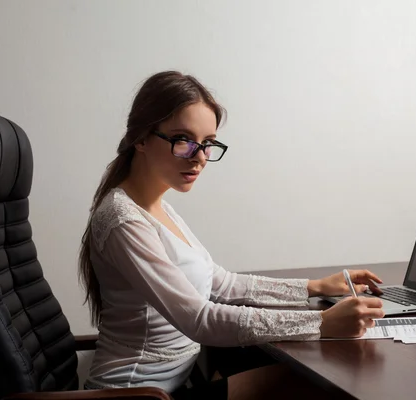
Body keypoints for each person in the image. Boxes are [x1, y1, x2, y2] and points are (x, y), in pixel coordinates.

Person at [78, 71, 385, 400]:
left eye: (207, 143)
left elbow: (220, 283)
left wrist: (314, 288)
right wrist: (320, 323)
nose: (199, 157)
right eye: (183, 139)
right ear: (141, 138)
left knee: (305, 371)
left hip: (177, 381)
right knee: (305, 382)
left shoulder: (158, 208)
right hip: (133, 395)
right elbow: (200, 318)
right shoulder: (123, 220)